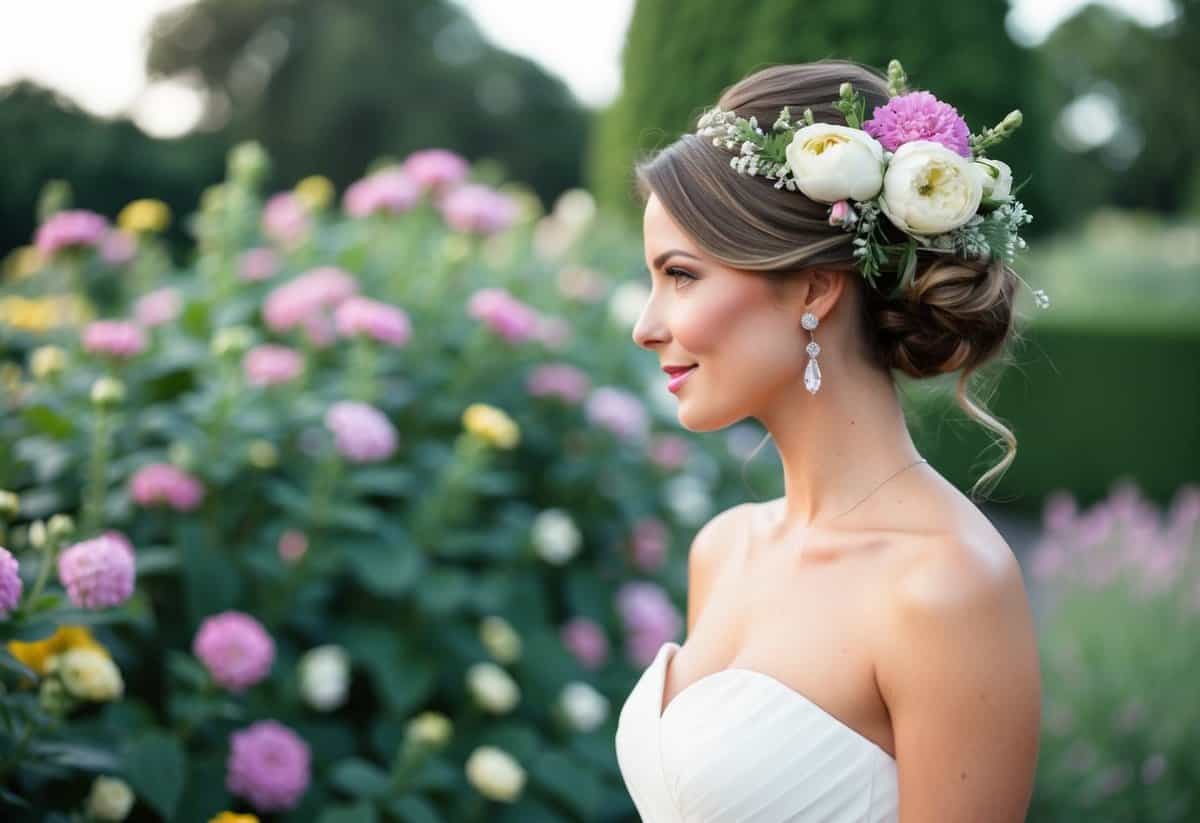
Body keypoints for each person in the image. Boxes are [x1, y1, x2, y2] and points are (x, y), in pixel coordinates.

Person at [614, 58, 1043, 822]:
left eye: (680, 275)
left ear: (814, 285)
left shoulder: (947, 586)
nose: (645, 327)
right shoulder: (722, 549)